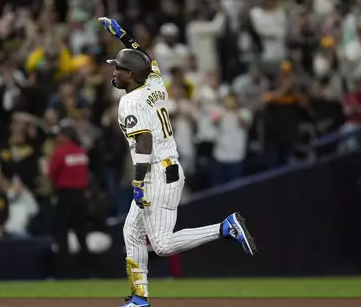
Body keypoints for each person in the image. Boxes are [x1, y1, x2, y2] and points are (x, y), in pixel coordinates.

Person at [98, 17, 257, 307]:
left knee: (161, 244)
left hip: (155, 173)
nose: (115, 71)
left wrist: (137, 181)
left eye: (119, 68)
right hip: (166, 168)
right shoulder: (155, 81)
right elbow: (145, 59)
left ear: (130, 75)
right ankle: (139, 298)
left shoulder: (130, 102)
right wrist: (122, 35)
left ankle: (225, 228)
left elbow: (144, 142)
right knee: (130, 232)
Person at [47, 124, 90, 278]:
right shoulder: (81, 152)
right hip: (81, 196)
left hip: (65, 195)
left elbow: (51, 173)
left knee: (62, 235)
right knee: (81, 234)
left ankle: (64, 273)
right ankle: (85, 272)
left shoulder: (60, 152)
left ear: (65, 137)